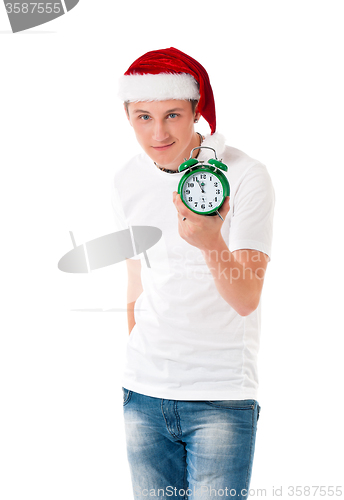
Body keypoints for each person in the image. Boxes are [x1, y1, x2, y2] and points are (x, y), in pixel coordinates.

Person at [111, 47, 274, 500]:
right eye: (143, 116)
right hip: (142, 396)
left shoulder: (244, 176)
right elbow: (135, 284)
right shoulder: (126, 180)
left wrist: (211, 242)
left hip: (220, 397)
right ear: (128, 115)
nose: (158, 132)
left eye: (173, 115)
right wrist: (141, 361)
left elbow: (246, 298)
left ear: (196, 111)